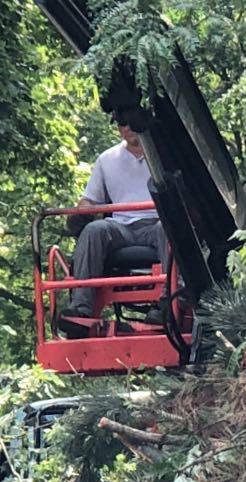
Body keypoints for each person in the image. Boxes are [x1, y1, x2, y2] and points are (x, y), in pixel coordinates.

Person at [61, 113, 165, 326]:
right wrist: (82, 210)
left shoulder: (164, 156)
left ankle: (169, 301)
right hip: (121, 227)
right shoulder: (107, 159)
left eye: (129, 121)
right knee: (94, 230)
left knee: (170, 228)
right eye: (120, 123)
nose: (125, 127)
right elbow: (90, 199)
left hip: (157, 223)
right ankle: (80, 309)